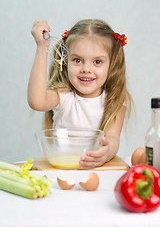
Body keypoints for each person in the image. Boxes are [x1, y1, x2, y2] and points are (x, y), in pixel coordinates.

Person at [28, 19, 132, 169]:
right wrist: (41, 47)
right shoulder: (62, 96)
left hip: (96, 172)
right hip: (62, 169)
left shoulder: (113, 102)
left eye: (97, 62)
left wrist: (106, 152)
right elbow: (36, 101)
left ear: (112, 65)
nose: (86, 69)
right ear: (66, 61)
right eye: (77, 60)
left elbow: (113, 138)